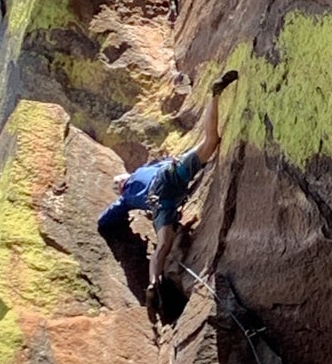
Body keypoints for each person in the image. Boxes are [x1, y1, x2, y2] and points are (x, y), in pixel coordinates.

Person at [98, 70, 238, 320]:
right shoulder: (143, 169)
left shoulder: (126, 199)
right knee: (211, 141)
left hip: (161, 201)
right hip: (170, 175)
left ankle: (153, 281)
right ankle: (214, 96)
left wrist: (115, 217)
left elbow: (104, 220)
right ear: (125, 178)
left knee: (162, 247)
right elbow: (164, 160)